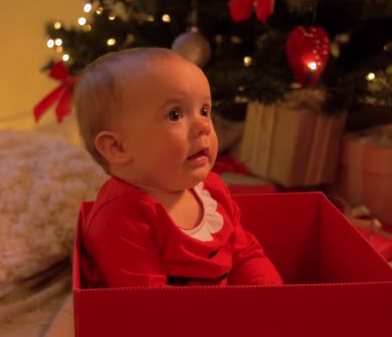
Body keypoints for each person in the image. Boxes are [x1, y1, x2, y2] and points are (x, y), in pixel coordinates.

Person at [74, 47, 282, 287]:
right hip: (173, 321)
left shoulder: (212, 189)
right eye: (174, 115)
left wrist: (270, 297)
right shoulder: (120, 219)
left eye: (204, 110)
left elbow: (245, 253)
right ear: (117, 148)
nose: (203, 125)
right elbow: (151, 307)